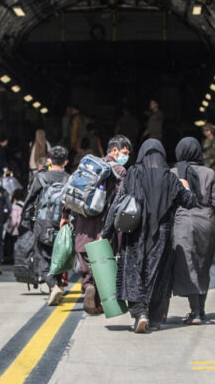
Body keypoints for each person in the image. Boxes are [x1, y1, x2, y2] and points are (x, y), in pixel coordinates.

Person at [101, 139, 197, 333]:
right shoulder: (170, 178)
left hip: (135, 233)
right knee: (158, 276)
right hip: (162, 236)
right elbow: (190, 202)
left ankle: (139, 313)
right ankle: (153, 319)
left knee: (134, 273)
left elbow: (118, 204)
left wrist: (107, 232)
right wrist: (185, 187)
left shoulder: (133, 174)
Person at [64, 135, 131, 315]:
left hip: (82, 224)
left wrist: (64, 215)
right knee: (103, 260)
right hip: (104, 225)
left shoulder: (89, 166)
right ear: (115, 150)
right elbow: (120, 201)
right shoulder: (120, 171)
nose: (126, 156)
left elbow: (73, 190)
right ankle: (98, 297)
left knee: (85, 257)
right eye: (125, 152)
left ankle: (88, 286)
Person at [170, 137, 215, 325]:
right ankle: (201, 311)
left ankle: (195, 311)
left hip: (182, 222)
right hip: (207, 222)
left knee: (187, 266)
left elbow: (170, 201)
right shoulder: (209, 173)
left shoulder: (173, 172)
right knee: (203, 265)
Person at [21, 145, 70, 306]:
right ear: (66, 162)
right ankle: (55, 286)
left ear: (49, 160)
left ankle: (52, 285)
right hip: (63, 224)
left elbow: (30, 200)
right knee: (59, 256)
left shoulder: (40, 178)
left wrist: (27, 221)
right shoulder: (69, 179)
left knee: (41, 257)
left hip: (43, 223)